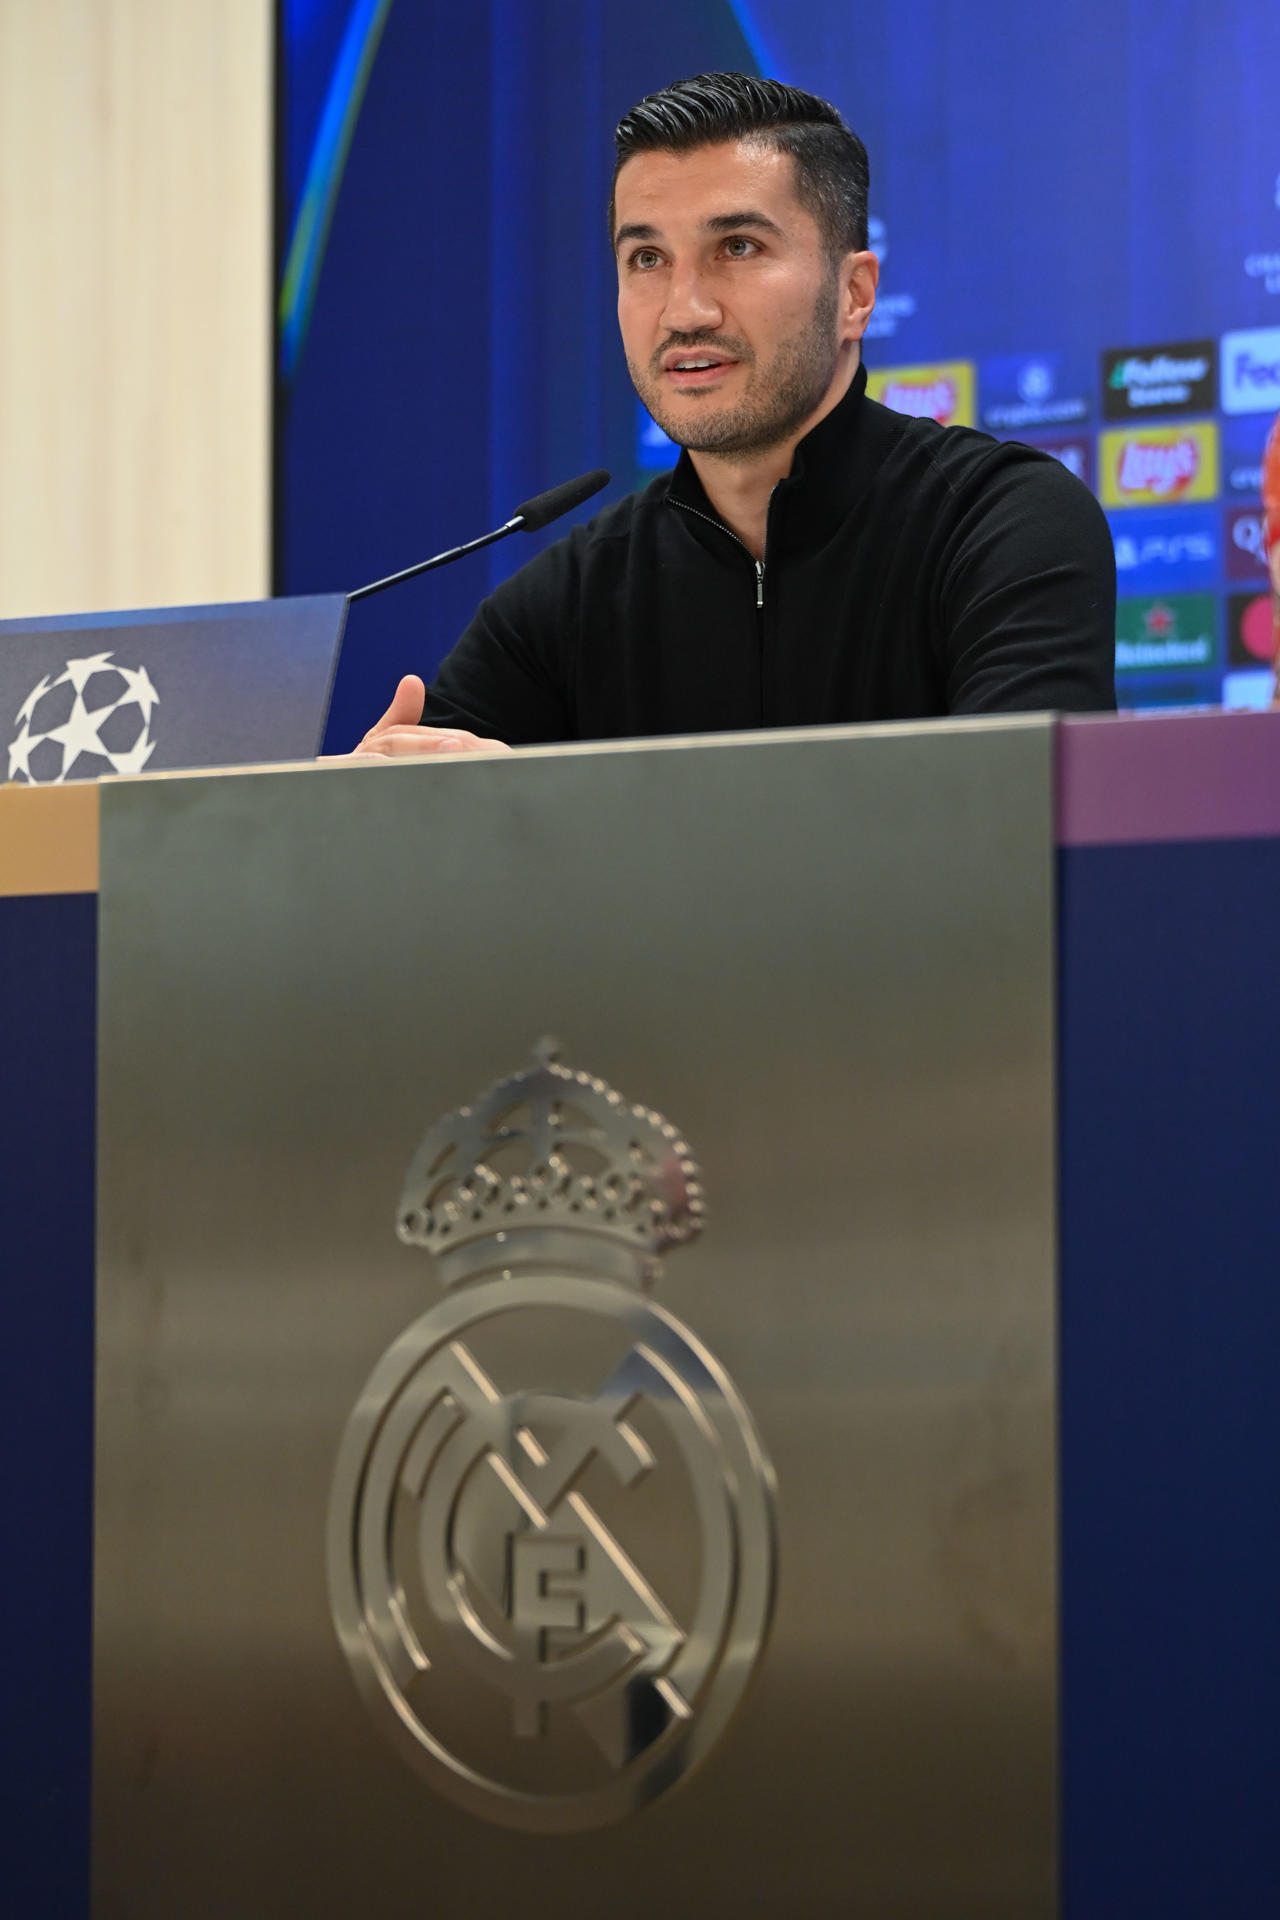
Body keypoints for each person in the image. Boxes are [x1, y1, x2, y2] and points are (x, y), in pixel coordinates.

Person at [353, 72, 1116, 761]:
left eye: (738, 247)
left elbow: (1011, 838)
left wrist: (541, 822)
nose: (685, 310)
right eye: (646, 259)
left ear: (855, 293)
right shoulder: (567, 600)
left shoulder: (1003, 524)